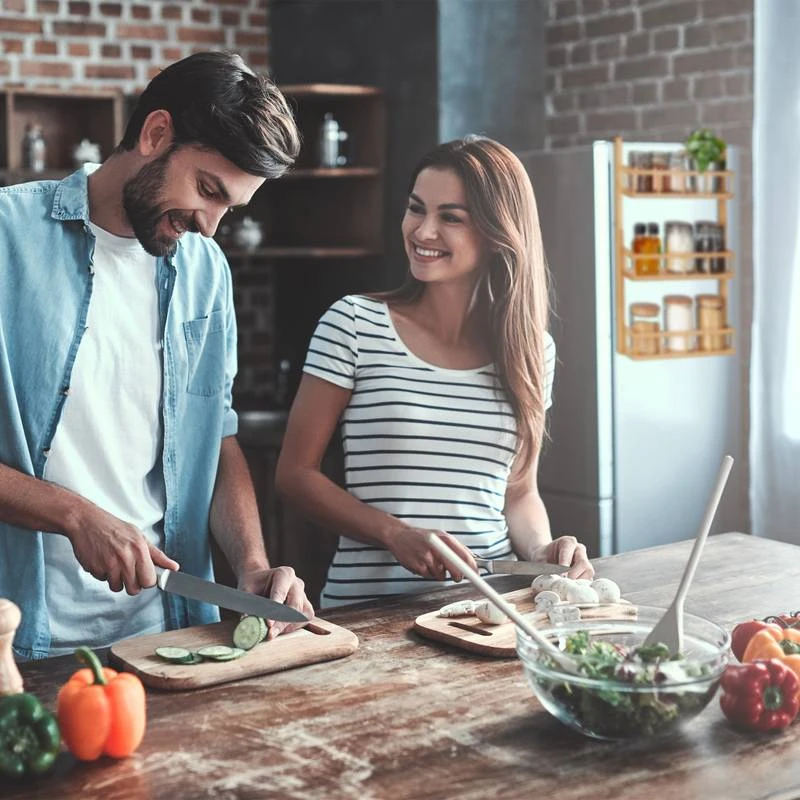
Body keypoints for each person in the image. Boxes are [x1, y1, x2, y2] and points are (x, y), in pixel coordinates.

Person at [0, 51, 314, 660]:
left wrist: (250, 563)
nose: (210, 226)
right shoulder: (7, 239)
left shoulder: (205, 271)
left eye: (230, 208)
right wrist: (74, 514)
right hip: (17, 639)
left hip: (164, 636)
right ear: (155, 133)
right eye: (207, 190)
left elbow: (215, 440)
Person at [276, 135, 594, 608]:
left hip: (488, 609)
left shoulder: (532, 351)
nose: (423, 232)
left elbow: (518, 493)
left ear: (495, 232)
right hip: (369, 611)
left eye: (450, 217)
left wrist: (542, 552)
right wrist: (394, 533)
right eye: (416, 209)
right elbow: (294, 475)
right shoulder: (354, 324)